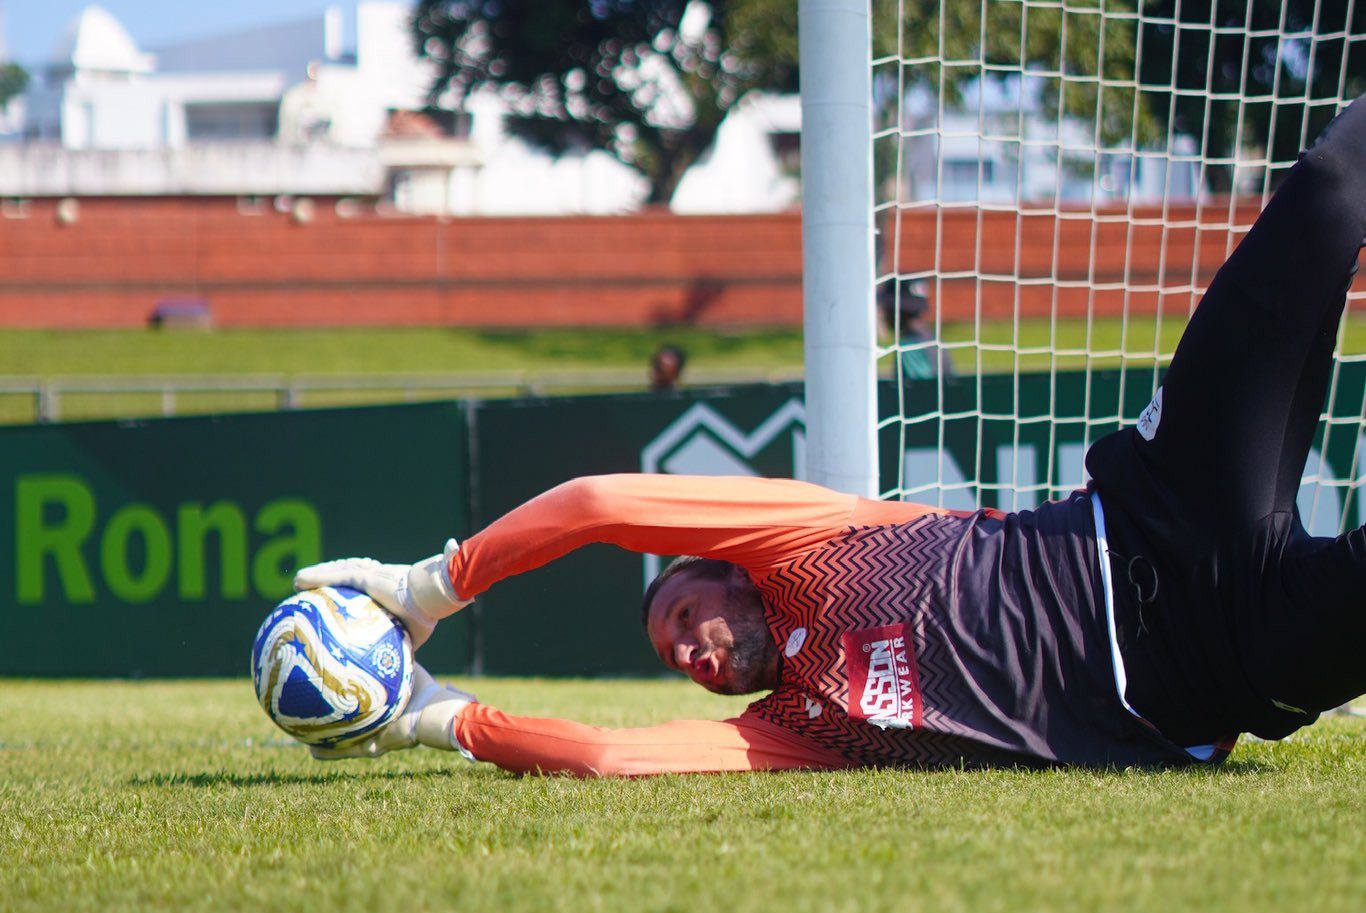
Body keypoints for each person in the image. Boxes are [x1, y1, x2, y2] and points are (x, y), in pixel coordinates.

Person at [293, 96, 1366, 777]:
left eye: (678, 610)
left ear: (722, 571)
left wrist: (432, 585)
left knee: (1323, 196)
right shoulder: (797, 729)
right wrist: (430, 719)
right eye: (672, 658)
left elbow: (595, 507)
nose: (679, 650)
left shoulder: (806, 535)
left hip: (1148, 506)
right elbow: (609, 753)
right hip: (1222, 669)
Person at [879, 278, 954, 380]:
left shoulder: (908, 347)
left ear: (896, 309)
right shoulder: (934, 340)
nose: (883, 315)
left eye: (885, 307)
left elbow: (915, 391)